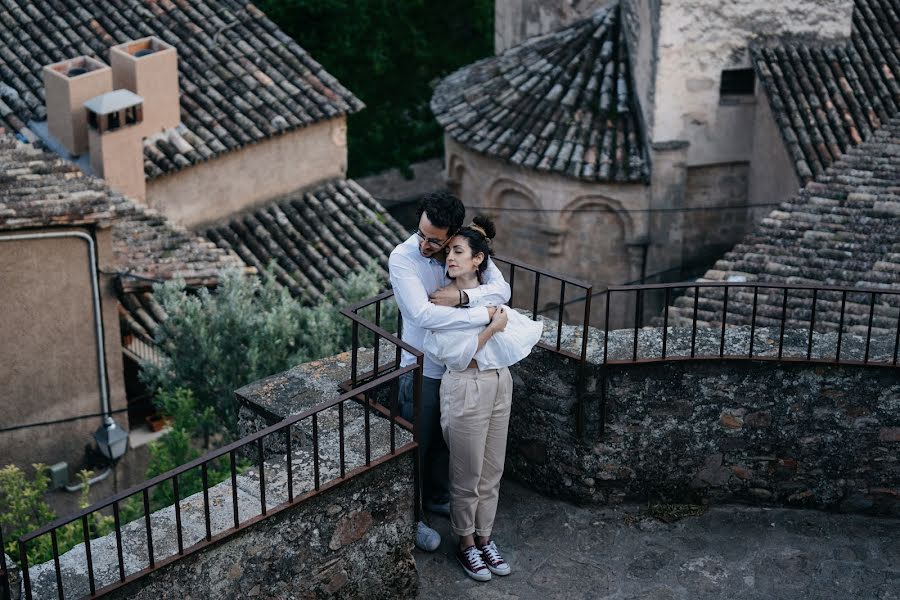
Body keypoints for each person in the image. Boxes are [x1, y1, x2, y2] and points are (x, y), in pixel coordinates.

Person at [388, 191, 511, 552]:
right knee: (419, 447)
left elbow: (501, 290)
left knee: (448, 444)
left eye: (435, 240)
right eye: (422, 234)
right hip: (422, 367)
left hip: (460, 369)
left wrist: (462, 299)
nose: (426, 244)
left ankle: (438, 499)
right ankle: (412, 519)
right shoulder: (403, 257)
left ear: (453, 234)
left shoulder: (461, 249)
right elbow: (422, 315)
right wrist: (483, 315)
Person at [423, 216, 543, 582]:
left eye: (458, 252)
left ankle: (485, 538)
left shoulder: (489, 292)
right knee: (467, 473)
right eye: (448, 253)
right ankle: (465, 544)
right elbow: (457, 356)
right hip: (465, 385)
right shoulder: (440, 300)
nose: (450, 259)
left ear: (478, 260)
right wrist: (491, 327)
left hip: (498, 381)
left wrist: (485, 316)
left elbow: (501, 297)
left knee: (493, 470)